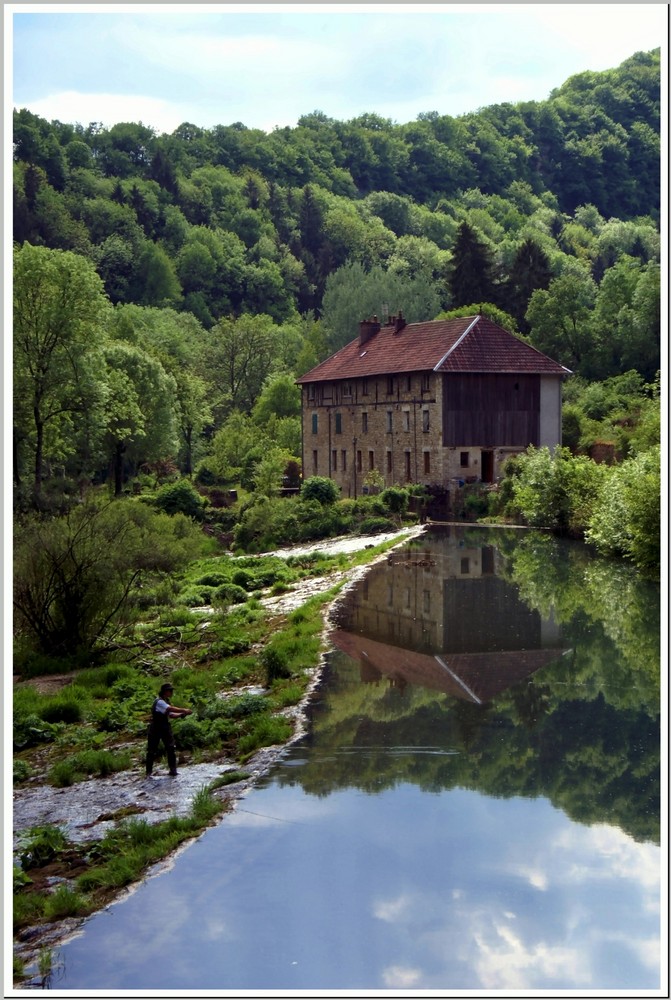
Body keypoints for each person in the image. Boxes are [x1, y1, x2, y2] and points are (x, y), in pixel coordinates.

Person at [145, 682, 192, 778]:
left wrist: (181, 715)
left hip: (165, 728)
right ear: (165, 692)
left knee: (171, 748)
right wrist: (184, 710)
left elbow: (171, 715)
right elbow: (170, 709)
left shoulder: (166, 701)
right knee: (151, 751)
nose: (172, 692)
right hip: (156, 729)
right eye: (170, 691)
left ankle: (173, 771)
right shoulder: (159, 702)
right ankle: (148, 773)